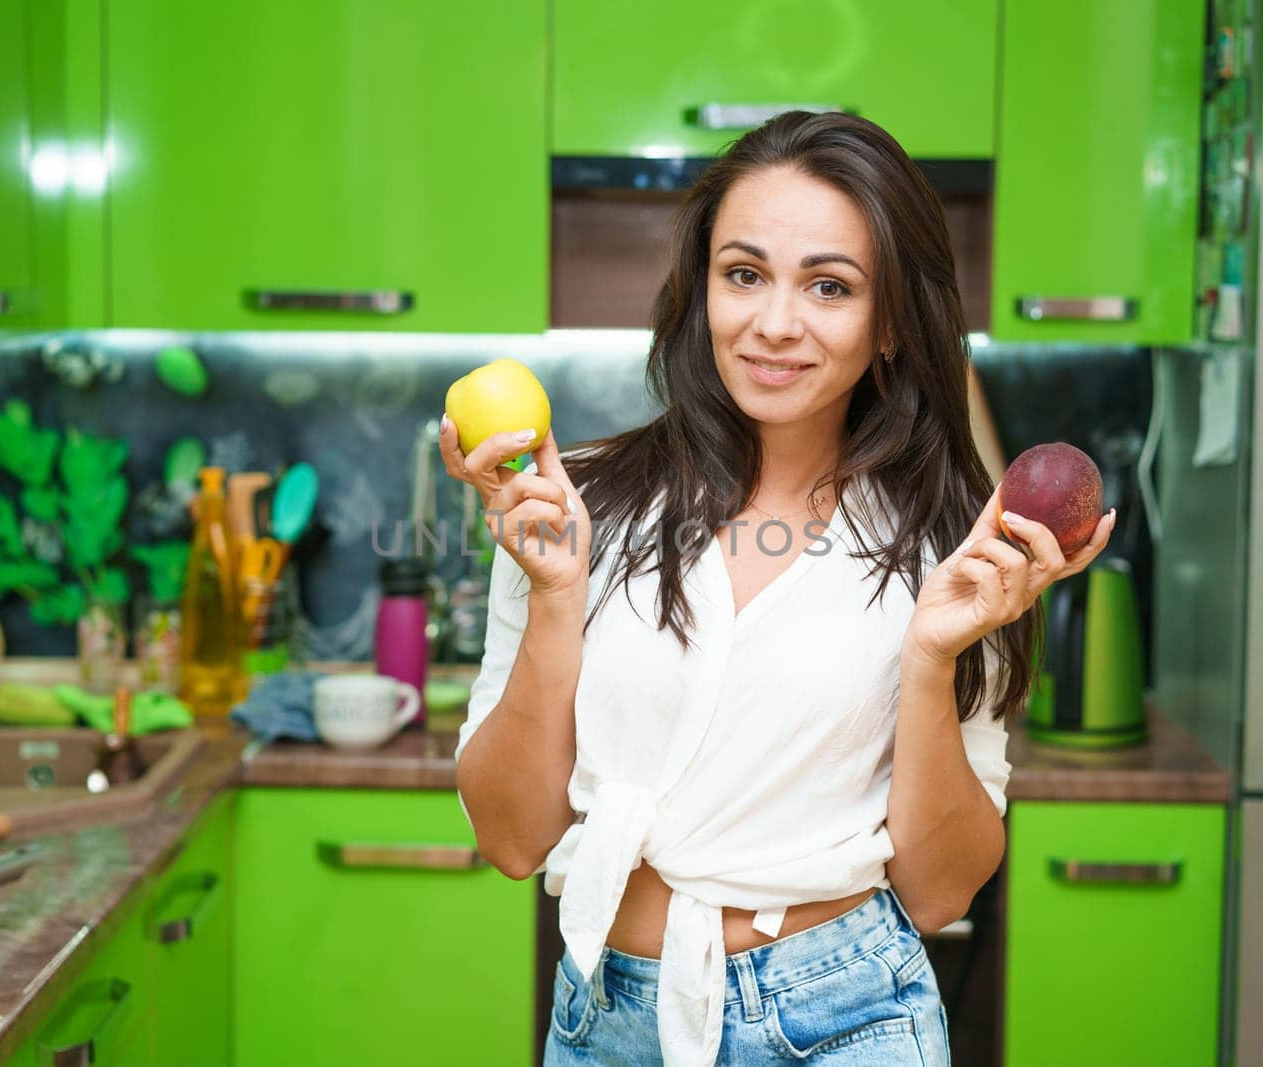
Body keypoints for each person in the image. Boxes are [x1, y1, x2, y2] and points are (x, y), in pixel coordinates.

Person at [438, 111, 1114, 1067]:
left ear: (889, 326)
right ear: (700, 288)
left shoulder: (957, 548)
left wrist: (929, 658)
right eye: (743, 274)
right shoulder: (577, 505)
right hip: (606, 1021)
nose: (774, 323)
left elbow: (940, 891)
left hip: (845, 1022)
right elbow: (512, 839)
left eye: (829, 286)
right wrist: (556, 596)